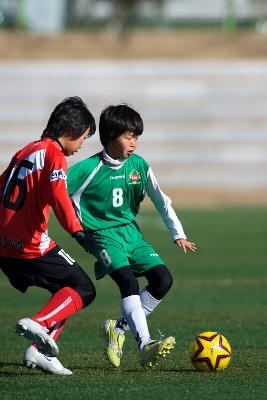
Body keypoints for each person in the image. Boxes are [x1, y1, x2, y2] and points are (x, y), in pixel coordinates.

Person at [67, 104, 196, 369]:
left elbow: (161, 200)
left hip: (131, 234)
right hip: (102, 236)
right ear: (110, 136)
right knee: (128, 282)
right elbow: (56, 191)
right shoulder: (88, 168)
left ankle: (118, 329)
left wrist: (177, 233)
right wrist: (76, 229)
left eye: (136, 136)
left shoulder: (139, 166)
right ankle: (145, 344)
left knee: (163, 280)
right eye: (128, 136)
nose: (134, 142)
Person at [0, 96, 96, 376]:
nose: (81, 146)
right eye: (83, 138)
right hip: (30, 246)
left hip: (3, 244)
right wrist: (77, 231)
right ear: (71, 131)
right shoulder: (54, 154)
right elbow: (59, 196)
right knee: (83, 288)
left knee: (63, 292)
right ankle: (39, 324)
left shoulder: (27, 150)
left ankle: (38, 352)